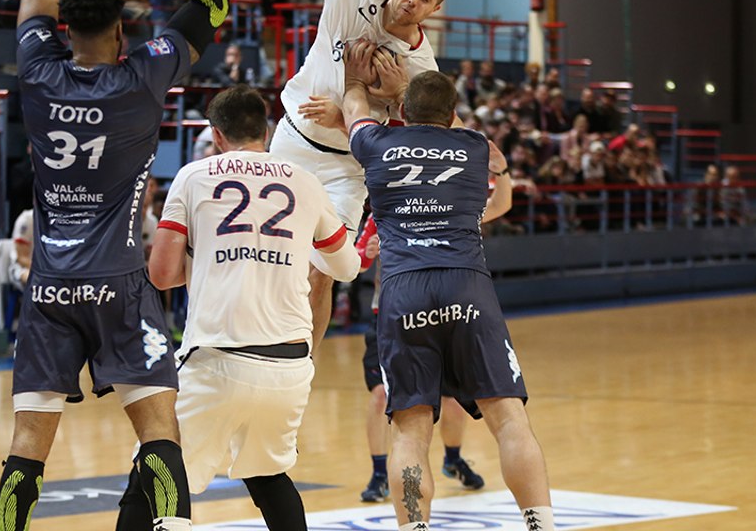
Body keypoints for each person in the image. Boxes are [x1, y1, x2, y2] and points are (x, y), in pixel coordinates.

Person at [0, 0, 229, 531]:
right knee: (159, 436)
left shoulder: (39, 70)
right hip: (119, 285)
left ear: (63, 30)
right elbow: (213, 0)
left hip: (50, 287)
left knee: (26, 447)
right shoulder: (143, 78)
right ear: (122, 36)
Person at [339, 45, 555, 531]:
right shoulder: (474, 146)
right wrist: (407, 92)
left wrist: (356, 79)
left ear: (403, 109)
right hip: (466, 285)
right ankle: (540, 525)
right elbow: (483, 151)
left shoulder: (377, 144)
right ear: (453, 111)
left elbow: (353, 109)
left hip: (403, 290)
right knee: (510, 420)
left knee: (410, 432)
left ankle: (415, 527)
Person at [148, 85, 359, 531]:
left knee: (156, 471)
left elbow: (162, 275)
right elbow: (345, 267)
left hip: (217, 359)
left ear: (216, 135)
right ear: (267, 131)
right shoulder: (305, 181)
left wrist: (212, 260)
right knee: (269, 477)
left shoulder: (193, 176)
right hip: (288, 366)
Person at [273, 0, 455, 350]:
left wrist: (363, 113)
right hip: (292, 142)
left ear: (434, 10)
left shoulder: (421, 68)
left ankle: (302, 370)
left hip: (348, 169)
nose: (412, 1)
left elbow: (419, 141)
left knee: (321, 276)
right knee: (271, 260)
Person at [355, 216, 492, 504]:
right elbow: (355, 263)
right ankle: (378, 473)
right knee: (381, 395)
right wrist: (366, 253)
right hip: (389, 317)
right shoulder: (381, 212)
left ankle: (453, 458)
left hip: (437, 315)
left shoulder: (444, 209)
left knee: (452, 399)